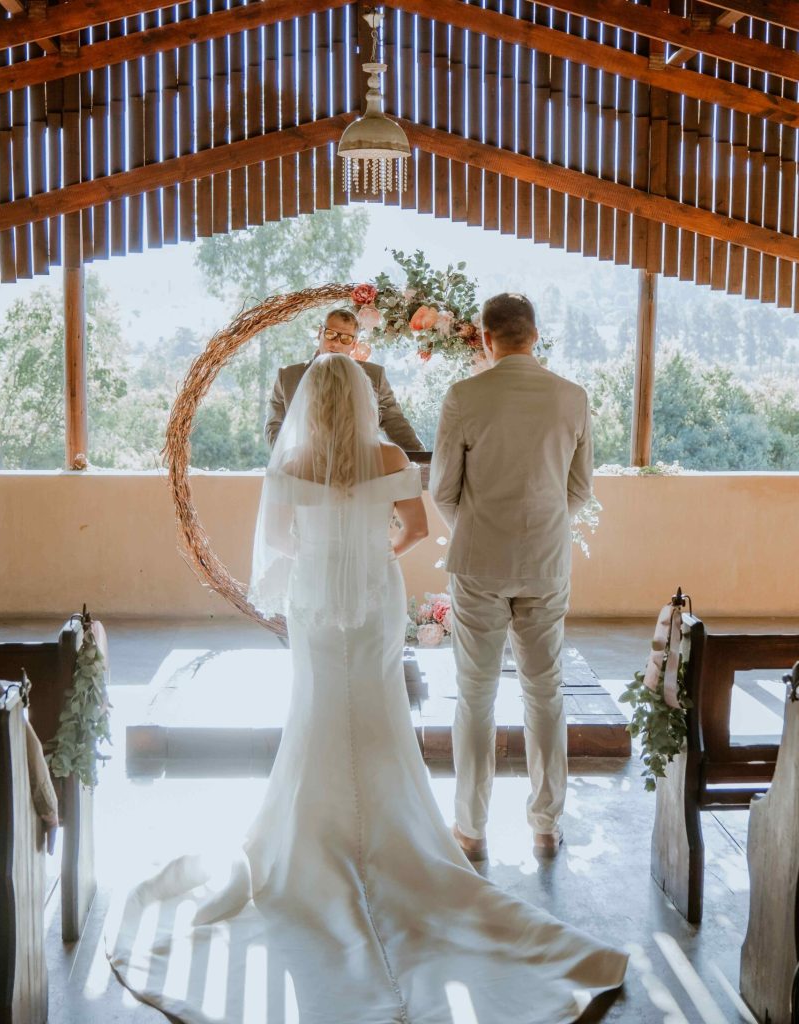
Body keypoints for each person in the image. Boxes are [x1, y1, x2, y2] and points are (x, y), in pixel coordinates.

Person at [108, 354, 625, 1023]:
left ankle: (310, 838)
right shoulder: (386, 457)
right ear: (360, 400)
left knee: (317, 707)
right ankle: (398, 835)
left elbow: (285, 540)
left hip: (317, 596)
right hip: (374, 595)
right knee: (378, 707)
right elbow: (414, 528)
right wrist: (373, 552)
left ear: (309, 403)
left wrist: (330, 551)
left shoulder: (291, 464)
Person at [430, 292, 593, 861]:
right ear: (535, 334)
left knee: (475, 695)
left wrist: (478, 527)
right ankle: (545, 826)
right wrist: (539, 531)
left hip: (478, 562)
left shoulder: (464, 396)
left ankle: (471, 830)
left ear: (484, 337)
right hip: (546, 562)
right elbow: (579, 490)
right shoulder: (571, 398)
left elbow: (443, 489)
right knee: (544, 691)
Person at [265, 306, 424, 451]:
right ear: (320, 333)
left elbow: (395, 423)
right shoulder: (287, 377)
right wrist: (290, 459)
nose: (336, 343)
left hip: (358, 469)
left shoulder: (375, 376)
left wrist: (422, 459)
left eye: (345, 338)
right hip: (303, 469)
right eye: (330, 334)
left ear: (354, 344)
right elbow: (274, 426)